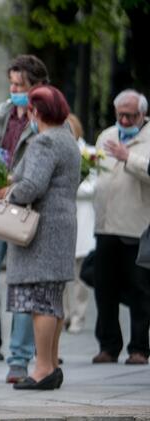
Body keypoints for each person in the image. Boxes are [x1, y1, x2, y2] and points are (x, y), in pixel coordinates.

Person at [0, 55, 49, 383]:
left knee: (21, 290)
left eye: (20, 85)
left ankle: (18, 361)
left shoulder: (45, 117)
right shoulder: (3, 112)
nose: (14, 90)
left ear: (37, 86)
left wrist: (13, 186)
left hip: (25, 213)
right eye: (12, 84)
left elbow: (43, 164)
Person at [5, 85, 78, 390]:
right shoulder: (68, 138)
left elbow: (32, 185)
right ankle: (52, 362)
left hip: (42, 231)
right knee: (52, 299)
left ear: (36, 112)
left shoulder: (45, 141)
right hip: (61, 227)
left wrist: (9, 195)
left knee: (41, 302)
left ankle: (42, 368)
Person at [91, 89, 150, 365]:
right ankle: (108, 346)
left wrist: (129, 157)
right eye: (120, 115)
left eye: (130, 115)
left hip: (136, 227)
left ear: (142, 114)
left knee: (140, 290)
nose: (124, 121)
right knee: (105, 289)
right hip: (106, 225)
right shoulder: (106, 135)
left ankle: (139, 348)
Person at [64, 114, 95, 334]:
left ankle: (79, 316)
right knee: (64, 275)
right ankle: (64, 314)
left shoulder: (90, 154)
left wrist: (71, 186)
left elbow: (94, 187)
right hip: (64, 220)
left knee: (80, 277)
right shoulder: (61, 151)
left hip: (83, 219)